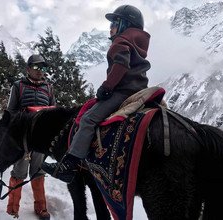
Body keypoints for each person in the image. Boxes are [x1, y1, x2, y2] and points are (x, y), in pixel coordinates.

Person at [42, 5, 151, 184]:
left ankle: (69, 165)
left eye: (115, 22)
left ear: (125, 25)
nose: (111, 27)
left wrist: (107, 87)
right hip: (139, 91)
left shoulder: (121, 41)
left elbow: (121, 65)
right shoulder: (137, 44)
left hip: (122, 92)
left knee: (88, 119)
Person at [6, 54, 55, 219]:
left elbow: (53, 113)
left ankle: (41, 208)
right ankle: (12, 209)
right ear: (28, 68)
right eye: (37, 67)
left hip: (40, 139)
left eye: (43, 68)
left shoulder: (49, 88)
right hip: (23, 138)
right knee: (19, 172)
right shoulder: (18, 86)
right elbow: (10, 112)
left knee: (38, 171)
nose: (40, 71)